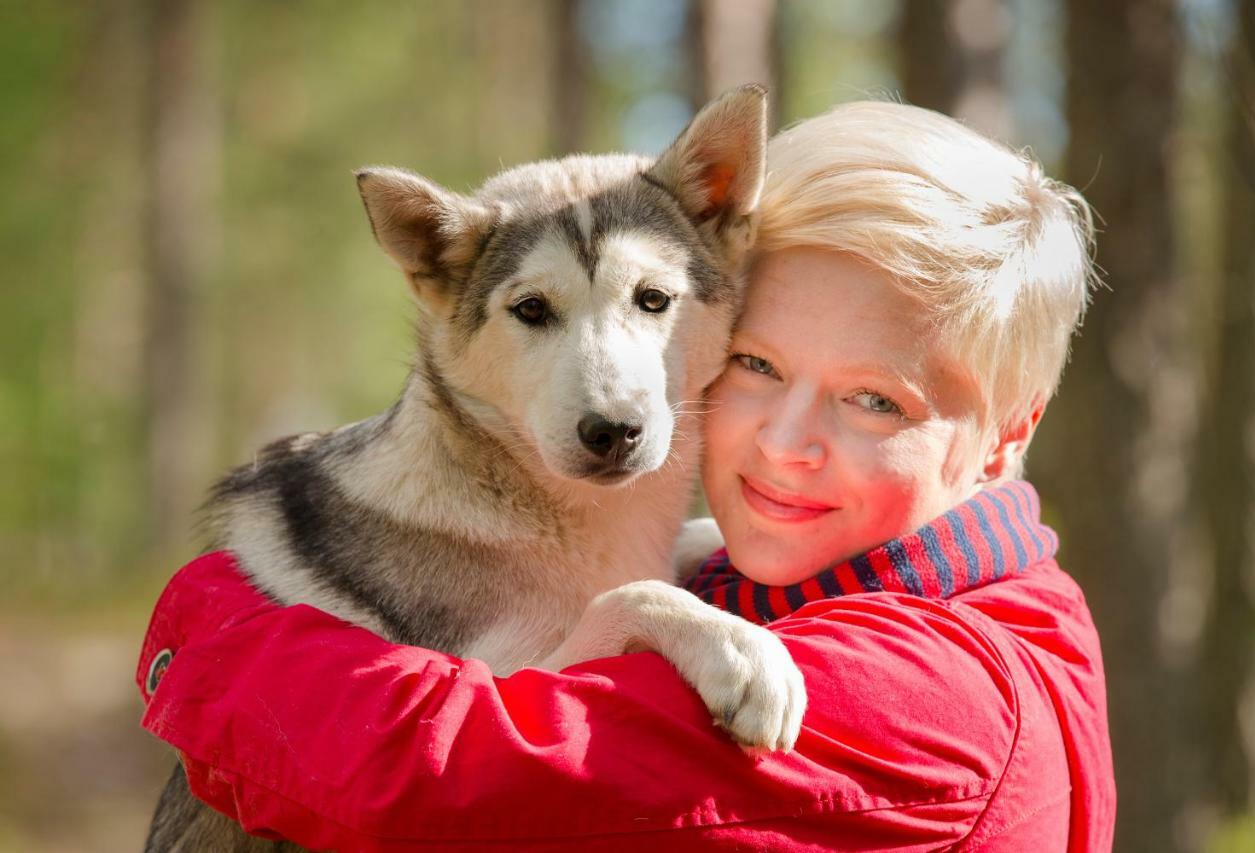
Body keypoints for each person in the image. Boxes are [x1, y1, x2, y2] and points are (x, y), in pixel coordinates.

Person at [136, 101, 1116, 851]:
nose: (782, 444)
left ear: (1005, 433)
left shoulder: (904, 695)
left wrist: (211, 625)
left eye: (875, 402)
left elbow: (449, 784)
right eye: (756, 367)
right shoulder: (968, 597)